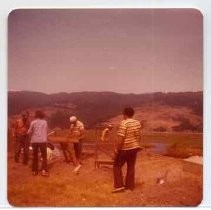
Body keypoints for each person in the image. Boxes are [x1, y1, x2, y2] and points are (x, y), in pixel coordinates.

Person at [113, 107, 142, 193]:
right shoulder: (137, 123)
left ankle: (119, 186)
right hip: (134, 148)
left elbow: (121, 138)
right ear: (132, 114)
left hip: (125, 149)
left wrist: (117, 149)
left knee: (116, 166)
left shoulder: (124, 123)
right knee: (131, 167)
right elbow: (139, 137)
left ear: (124, 114)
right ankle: (129, 187)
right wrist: (135, 144)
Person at [28, 110, 49, 176]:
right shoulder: (45, 122)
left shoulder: (33, 122)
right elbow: (46, 130)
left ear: (36, 115)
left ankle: (34, 171)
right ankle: (44, 171)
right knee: (44, 156)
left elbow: (29, 132)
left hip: (34, 141)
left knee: (35, 156)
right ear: (42, 115)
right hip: (43, 141)